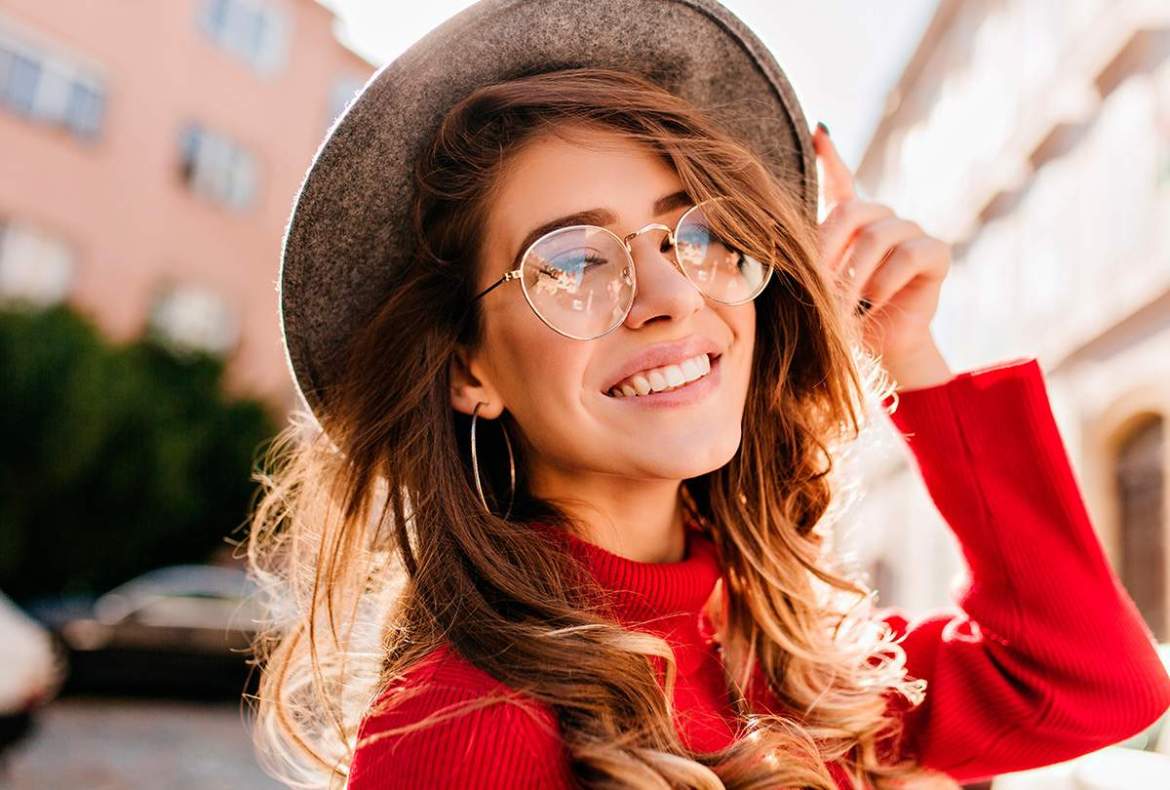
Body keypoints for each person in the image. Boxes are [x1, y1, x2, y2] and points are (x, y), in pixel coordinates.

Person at [245, 2, 1170, 788]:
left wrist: (909, 353)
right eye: (571, 262)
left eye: (696, 233)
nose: (672, 297)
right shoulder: (463, 721)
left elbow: (1089, 679)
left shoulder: (799, 663)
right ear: (468, 371)